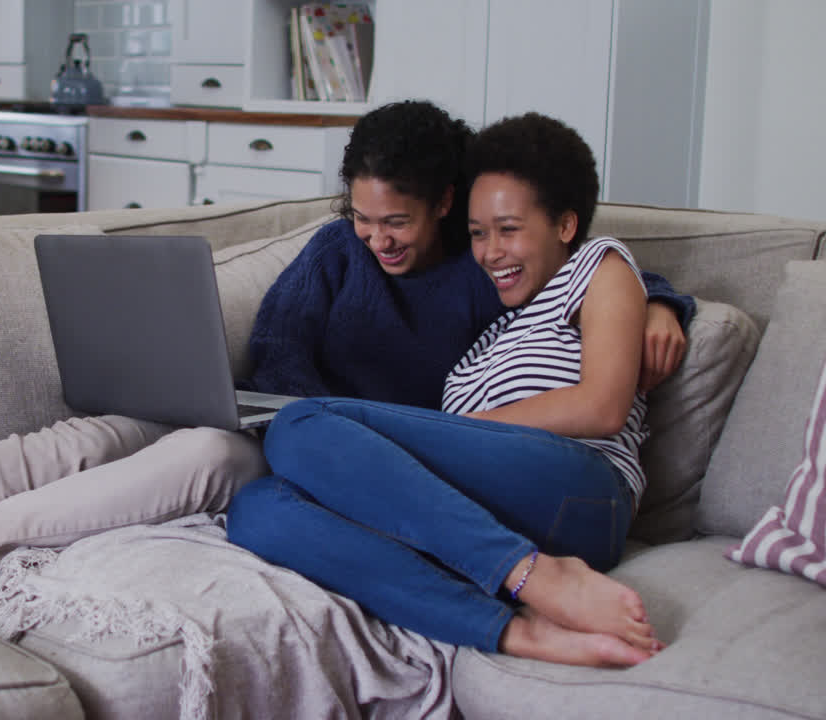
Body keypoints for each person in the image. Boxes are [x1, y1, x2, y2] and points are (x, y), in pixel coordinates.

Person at [0, 101, 691, 598]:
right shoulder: (332, 253)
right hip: (273, 418)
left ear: (444, 203)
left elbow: (562, 272)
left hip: (337, 458)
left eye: (396, 221)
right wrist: (269, 399)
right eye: (360, 217)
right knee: (80, 438)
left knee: (201, 457)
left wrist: (662, 302)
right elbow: (275, 346)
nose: (377, 238)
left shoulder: (484, 268)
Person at [226, 111, 666, 668]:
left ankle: (533, 575)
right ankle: (513, 630)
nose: (489, 252)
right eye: (479, 234)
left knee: (298, 425)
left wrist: (663, 305)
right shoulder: (492, 328)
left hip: (582, 487)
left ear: (564, 225)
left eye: (508, 230)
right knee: (258, 510)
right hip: (502, 513)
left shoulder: (598, 268)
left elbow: (601, 407)